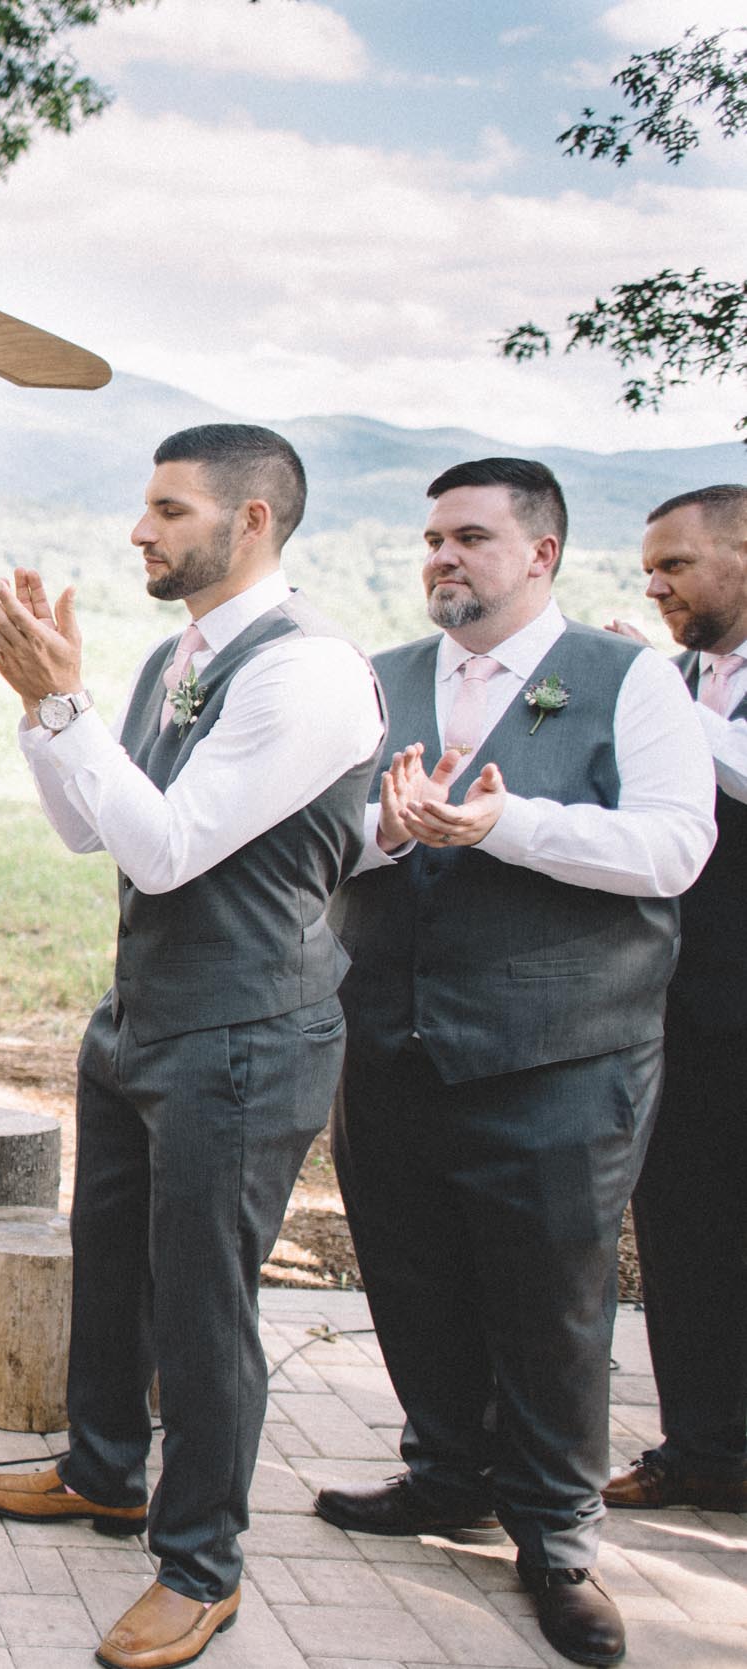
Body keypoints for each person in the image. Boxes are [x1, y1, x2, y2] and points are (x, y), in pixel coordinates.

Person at [0, 425, 382, 1669]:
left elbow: (165, 846)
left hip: (246, 1029)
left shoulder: (305, 674)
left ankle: (201, 1565)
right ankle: (103, 1469)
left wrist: (69, 701)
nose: (139, 530)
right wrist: (51, 708)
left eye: (168, 509)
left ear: (251, 521)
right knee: (113, 1261)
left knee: (205, 1305)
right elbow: (94, 829)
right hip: (141, 1014)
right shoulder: (171, 657)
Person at [319, 458, 714, 1669]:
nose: (443, 557)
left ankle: (556, 1538)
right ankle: (445, 1474)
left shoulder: (628, 678)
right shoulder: (377, 682)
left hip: (562, 1053)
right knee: (411, 1270)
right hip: (390, 1040)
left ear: (539, 554)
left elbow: (673, 846)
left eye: (471, 538)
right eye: (432, 537)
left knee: (550, 1302)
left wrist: (509, 823)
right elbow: (322, 838)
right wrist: (382, 833)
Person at [600, 483, 747, 1515]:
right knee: (684, 1229)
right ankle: (702, 1447)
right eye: (649, 566)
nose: (654, 584)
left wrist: (662, 700)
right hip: (683, 1009)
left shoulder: (678, 691)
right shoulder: (686, 677)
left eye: (677, 564)